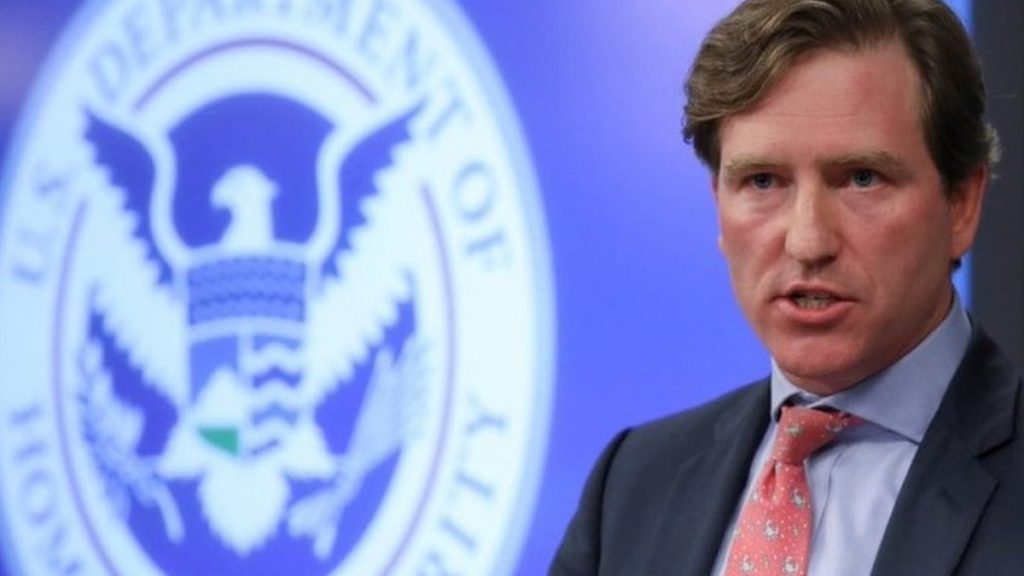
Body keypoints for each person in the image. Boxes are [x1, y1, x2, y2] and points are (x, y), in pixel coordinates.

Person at [551, 0, 1022, 574]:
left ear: (961, 204)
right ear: (718, 205)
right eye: (762, 181)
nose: (808, 241)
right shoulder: (632, 484)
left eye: (862, 178)